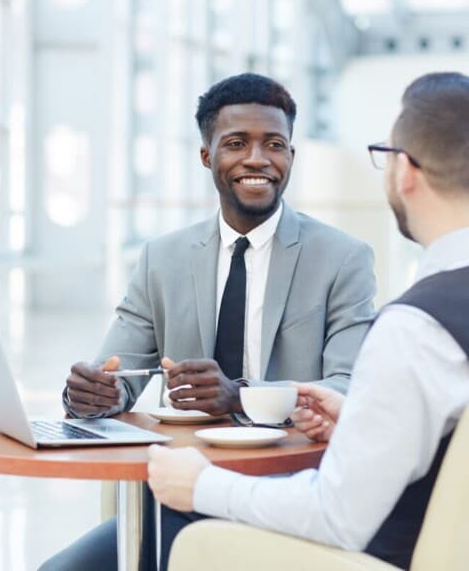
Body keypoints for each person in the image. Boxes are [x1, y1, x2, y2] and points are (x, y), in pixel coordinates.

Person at [40, 73, 376, 570]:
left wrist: (240, 394)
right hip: (180, 496)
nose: (257, 159)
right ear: (206, 156)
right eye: (237, 143)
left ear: (290, 156)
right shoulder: (163, 258)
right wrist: (93, 393)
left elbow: (347, 388)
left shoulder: (343, 258)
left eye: (274, 144)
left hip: (291, 497)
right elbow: (118, 372)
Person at [147, 71, 469, 570]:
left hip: (378, 553)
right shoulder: (438, 321)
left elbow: (338, 515)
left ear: (405, 171)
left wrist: (200, 483)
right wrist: (358, 423)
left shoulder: (416, 327)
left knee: (170, 530)